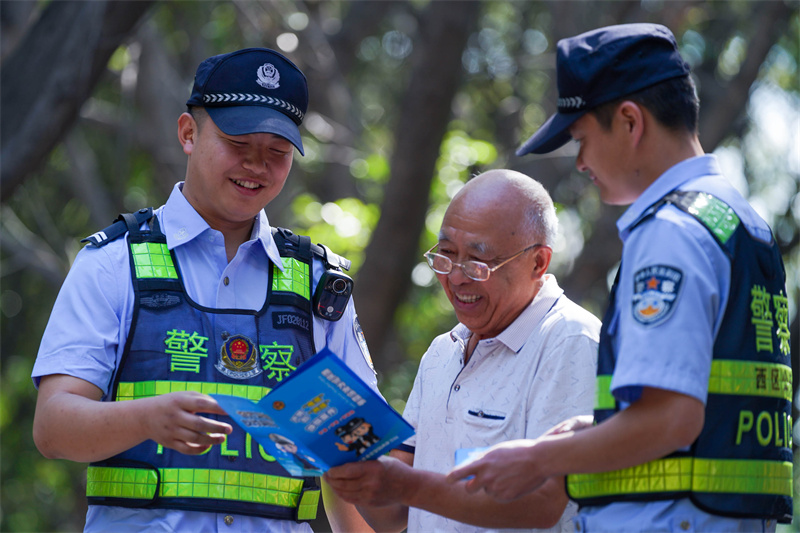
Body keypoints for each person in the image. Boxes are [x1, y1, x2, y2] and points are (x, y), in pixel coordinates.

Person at [447, 23, 793, 532]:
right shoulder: (733, 218)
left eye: (583, 139)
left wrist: (535, 460)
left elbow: (672, 419)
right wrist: (599, 429)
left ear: (630, 122)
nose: (582, 162)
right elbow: (702, 407)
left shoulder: (670, 234)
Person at [31, 48, 378, 533]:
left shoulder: (318, 286)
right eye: (239, 144)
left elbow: (350, 458)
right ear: (188, 133)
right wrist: (147, 419)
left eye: (277, 152)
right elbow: (53, 429)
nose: (257, 165)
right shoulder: (115, 264)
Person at [323, 169, 601, 532]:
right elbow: (394, 515)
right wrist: (333, 452)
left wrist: (408, 485)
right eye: (447, 254)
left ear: (538, 263)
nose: (455, 277)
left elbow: (543, 504)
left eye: (477, 262)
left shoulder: (570, 342)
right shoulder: (443, 351)